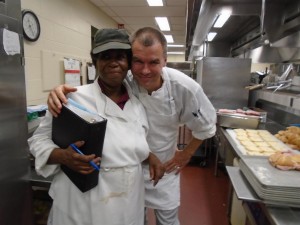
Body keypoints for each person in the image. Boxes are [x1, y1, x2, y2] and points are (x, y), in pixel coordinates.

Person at [47, 27, 217, 225]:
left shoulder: (185, 88)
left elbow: (206, 125)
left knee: (168, 220)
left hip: (164, 167)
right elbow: (96, 92)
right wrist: (58, 91)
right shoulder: (124, 79)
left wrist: (186, 153)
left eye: (153, 62)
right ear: (131, 62)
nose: (145, 71)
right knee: (136, 217)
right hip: (132, 170)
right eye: (138, 61)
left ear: (164, 60)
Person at [28, 28, 164, 225]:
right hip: (84, 201)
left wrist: (149, 156)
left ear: (128, 63)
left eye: (120, 56)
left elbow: (127, 143)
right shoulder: (72, 97)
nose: (114, 63)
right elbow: (38, 141)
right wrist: (63, 157)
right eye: (105, 57)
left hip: (128, 199)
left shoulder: (138, 102)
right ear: (95, 62)